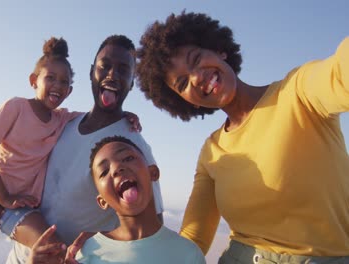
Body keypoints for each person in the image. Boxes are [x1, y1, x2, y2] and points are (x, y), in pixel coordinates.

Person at [136, 11, 349, 264]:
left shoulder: (297, 92)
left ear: (218, 50)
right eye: (182, 84)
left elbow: (340, 75)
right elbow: (194, 239)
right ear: (181, 100)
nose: (196, 78)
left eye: (196, 59)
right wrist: (115, 245)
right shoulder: (211, 150)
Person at [0, 35, 164, 264]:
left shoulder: (132, 146)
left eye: (123, 70)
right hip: (19, 257)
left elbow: (150, 230)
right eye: (105, 66)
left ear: (132, 82)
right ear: (92, 72)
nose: (112, 74)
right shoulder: (63, 123)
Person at [75, 136, 205, 264]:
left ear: (153, 172)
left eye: (127, 158)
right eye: (104, 172)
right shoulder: (87, 253)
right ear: (102, 201)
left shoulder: (188, 254)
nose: (117, 168)